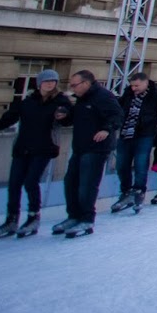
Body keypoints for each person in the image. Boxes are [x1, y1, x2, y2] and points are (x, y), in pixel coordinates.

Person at [0, 65, 72, 239]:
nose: (50, 84)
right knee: (14, 184)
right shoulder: (27, 102)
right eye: (46, 81)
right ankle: (11, 219)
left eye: (53, 81)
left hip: (44, 148)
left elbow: (67, 120)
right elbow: (6, 121)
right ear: (39, 83)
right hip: (23, 147)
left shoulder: (60, 102)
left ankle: (33, 217)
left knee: (31, 182)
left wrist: (65, 115)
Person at [56, 70, 121, 239]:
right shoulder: (81, 99)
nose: (72, 88)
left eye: (75, 85)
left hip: (96, 148)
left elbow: (117, 115)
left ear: (86, 83)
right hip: (80, 147)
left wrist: (106, 129)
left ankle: (86, 218)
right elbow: (75, 120)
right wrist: (63, 118)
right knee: (71, 182)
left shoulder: (103, 96)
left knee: (87, 185)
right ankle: (73, 216)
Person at [111, 73, 157, 214]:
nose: (134, 88)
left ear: (145, 83)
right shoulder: (128, 94)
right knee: (121, 164)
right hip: (126, 133)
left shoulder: (156, 95)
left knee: (140, 163)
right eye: (132, 85)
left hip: (145, 134)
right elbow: (118, 108)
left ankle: (138, 192)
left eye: (137, 85)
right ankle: (126, 192)